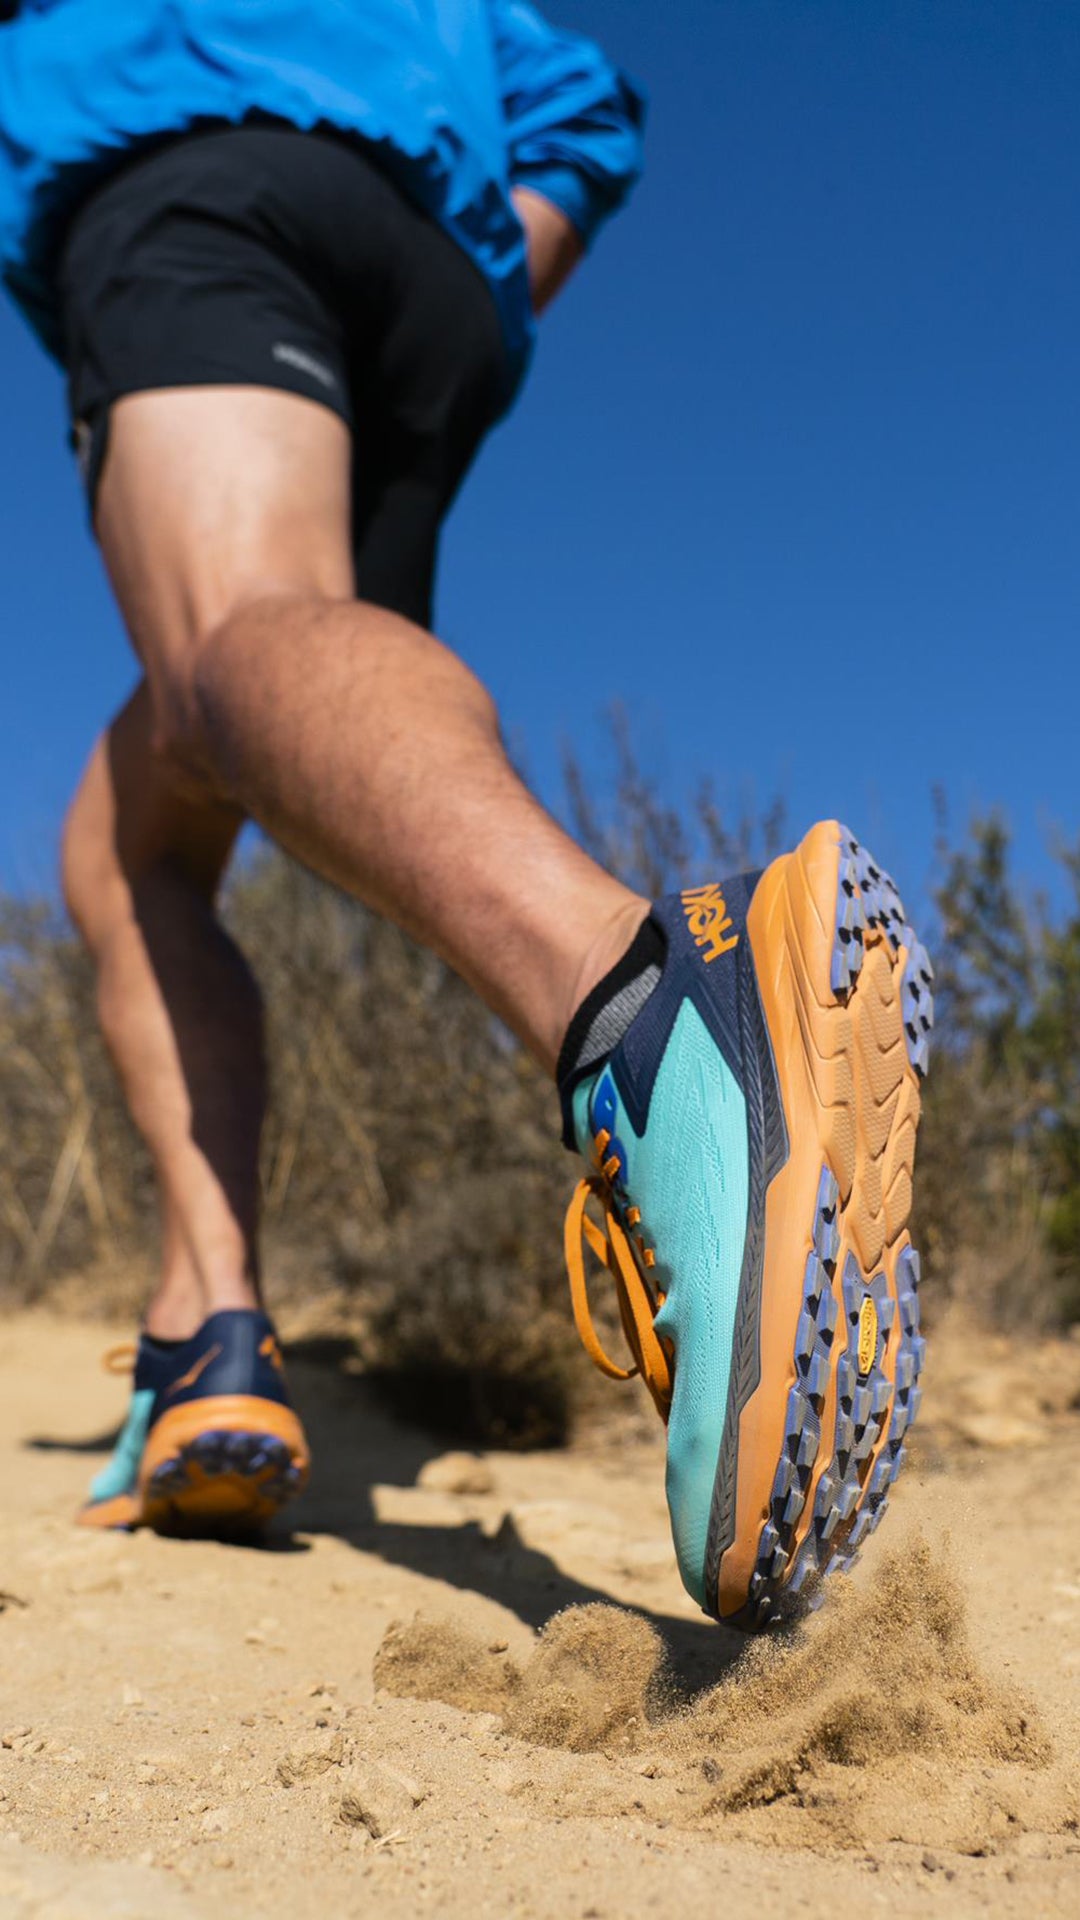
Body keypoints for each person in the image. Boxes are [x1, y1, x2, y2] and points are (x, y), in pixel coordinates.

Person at [0, 1, 933, 1630]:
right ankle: (213, 1330)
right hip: (425, 283)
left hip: (192, 177)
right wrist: (475, 299)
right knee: (132, 837)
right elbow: (585, 110)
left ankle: (648, 1015)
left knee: (231, 638)